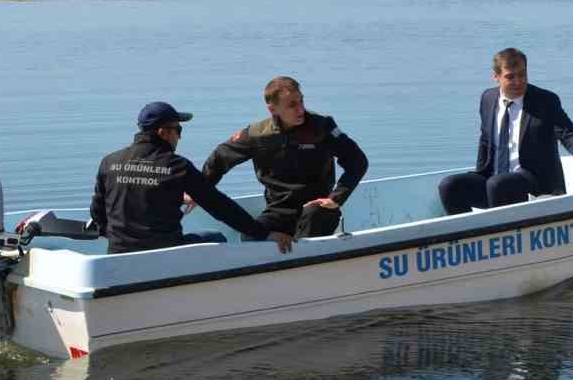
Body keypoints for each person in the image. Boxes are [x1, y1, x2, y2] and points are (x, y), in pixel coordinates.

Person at [91, 100, 293, 255]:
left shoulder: (110, 162)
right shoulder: (176, 166)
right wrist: (263, 233)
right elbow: (220, 207)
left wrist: (177, 196)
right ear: (163, 133)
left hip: (118, 253)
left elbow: (98, 213)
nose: (179, 137)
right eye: (178, 130)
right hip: (165, 254)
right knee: (217, 237)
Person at [438, 48, 573, 214]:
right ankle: (471, 239)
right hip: (494, 180)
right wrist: (480, 170)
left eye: (522, 75)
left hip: (533, 182)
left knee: (497, 184)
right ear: (496, 77)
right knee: (449, 185)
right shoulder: (488, 98)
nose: (518, 81)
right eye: (510, 77)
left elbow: (570, 135)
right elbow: (485, 140)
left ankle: (502, 235)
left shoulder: (545, 101)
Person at [200, 76, 369, 240]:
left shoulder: (322, 126)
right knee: (250, 238)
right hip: (279, 211)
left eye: (301, 101)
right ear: (273, 109)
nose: (301, 109)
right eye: (292, 105)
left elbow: (357, 161)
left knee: (310, 228)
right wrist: (199, 189)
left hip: (318, 207)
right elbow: (220, 157)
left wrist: (335, 199)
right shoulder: (258, 134)